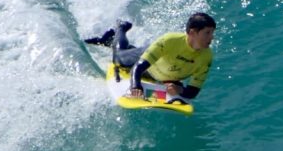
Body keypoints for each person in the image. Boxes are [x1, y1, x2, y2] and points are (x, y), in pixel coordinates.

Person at [85, 13, 216, 100]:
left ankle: (127, 45)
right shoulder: (170, 41)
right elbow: (138, 68)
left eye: (212, 33)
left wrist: (180, 89)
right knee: (118, 58)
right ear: (192, 33)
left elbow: (193, 91)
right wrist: (136, 86)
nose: (211, 37)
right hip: (145, 61)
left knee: (128, 52)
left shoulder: (206, 56)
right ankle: (120, 29)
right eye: (207, 33)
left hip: (165, 74)